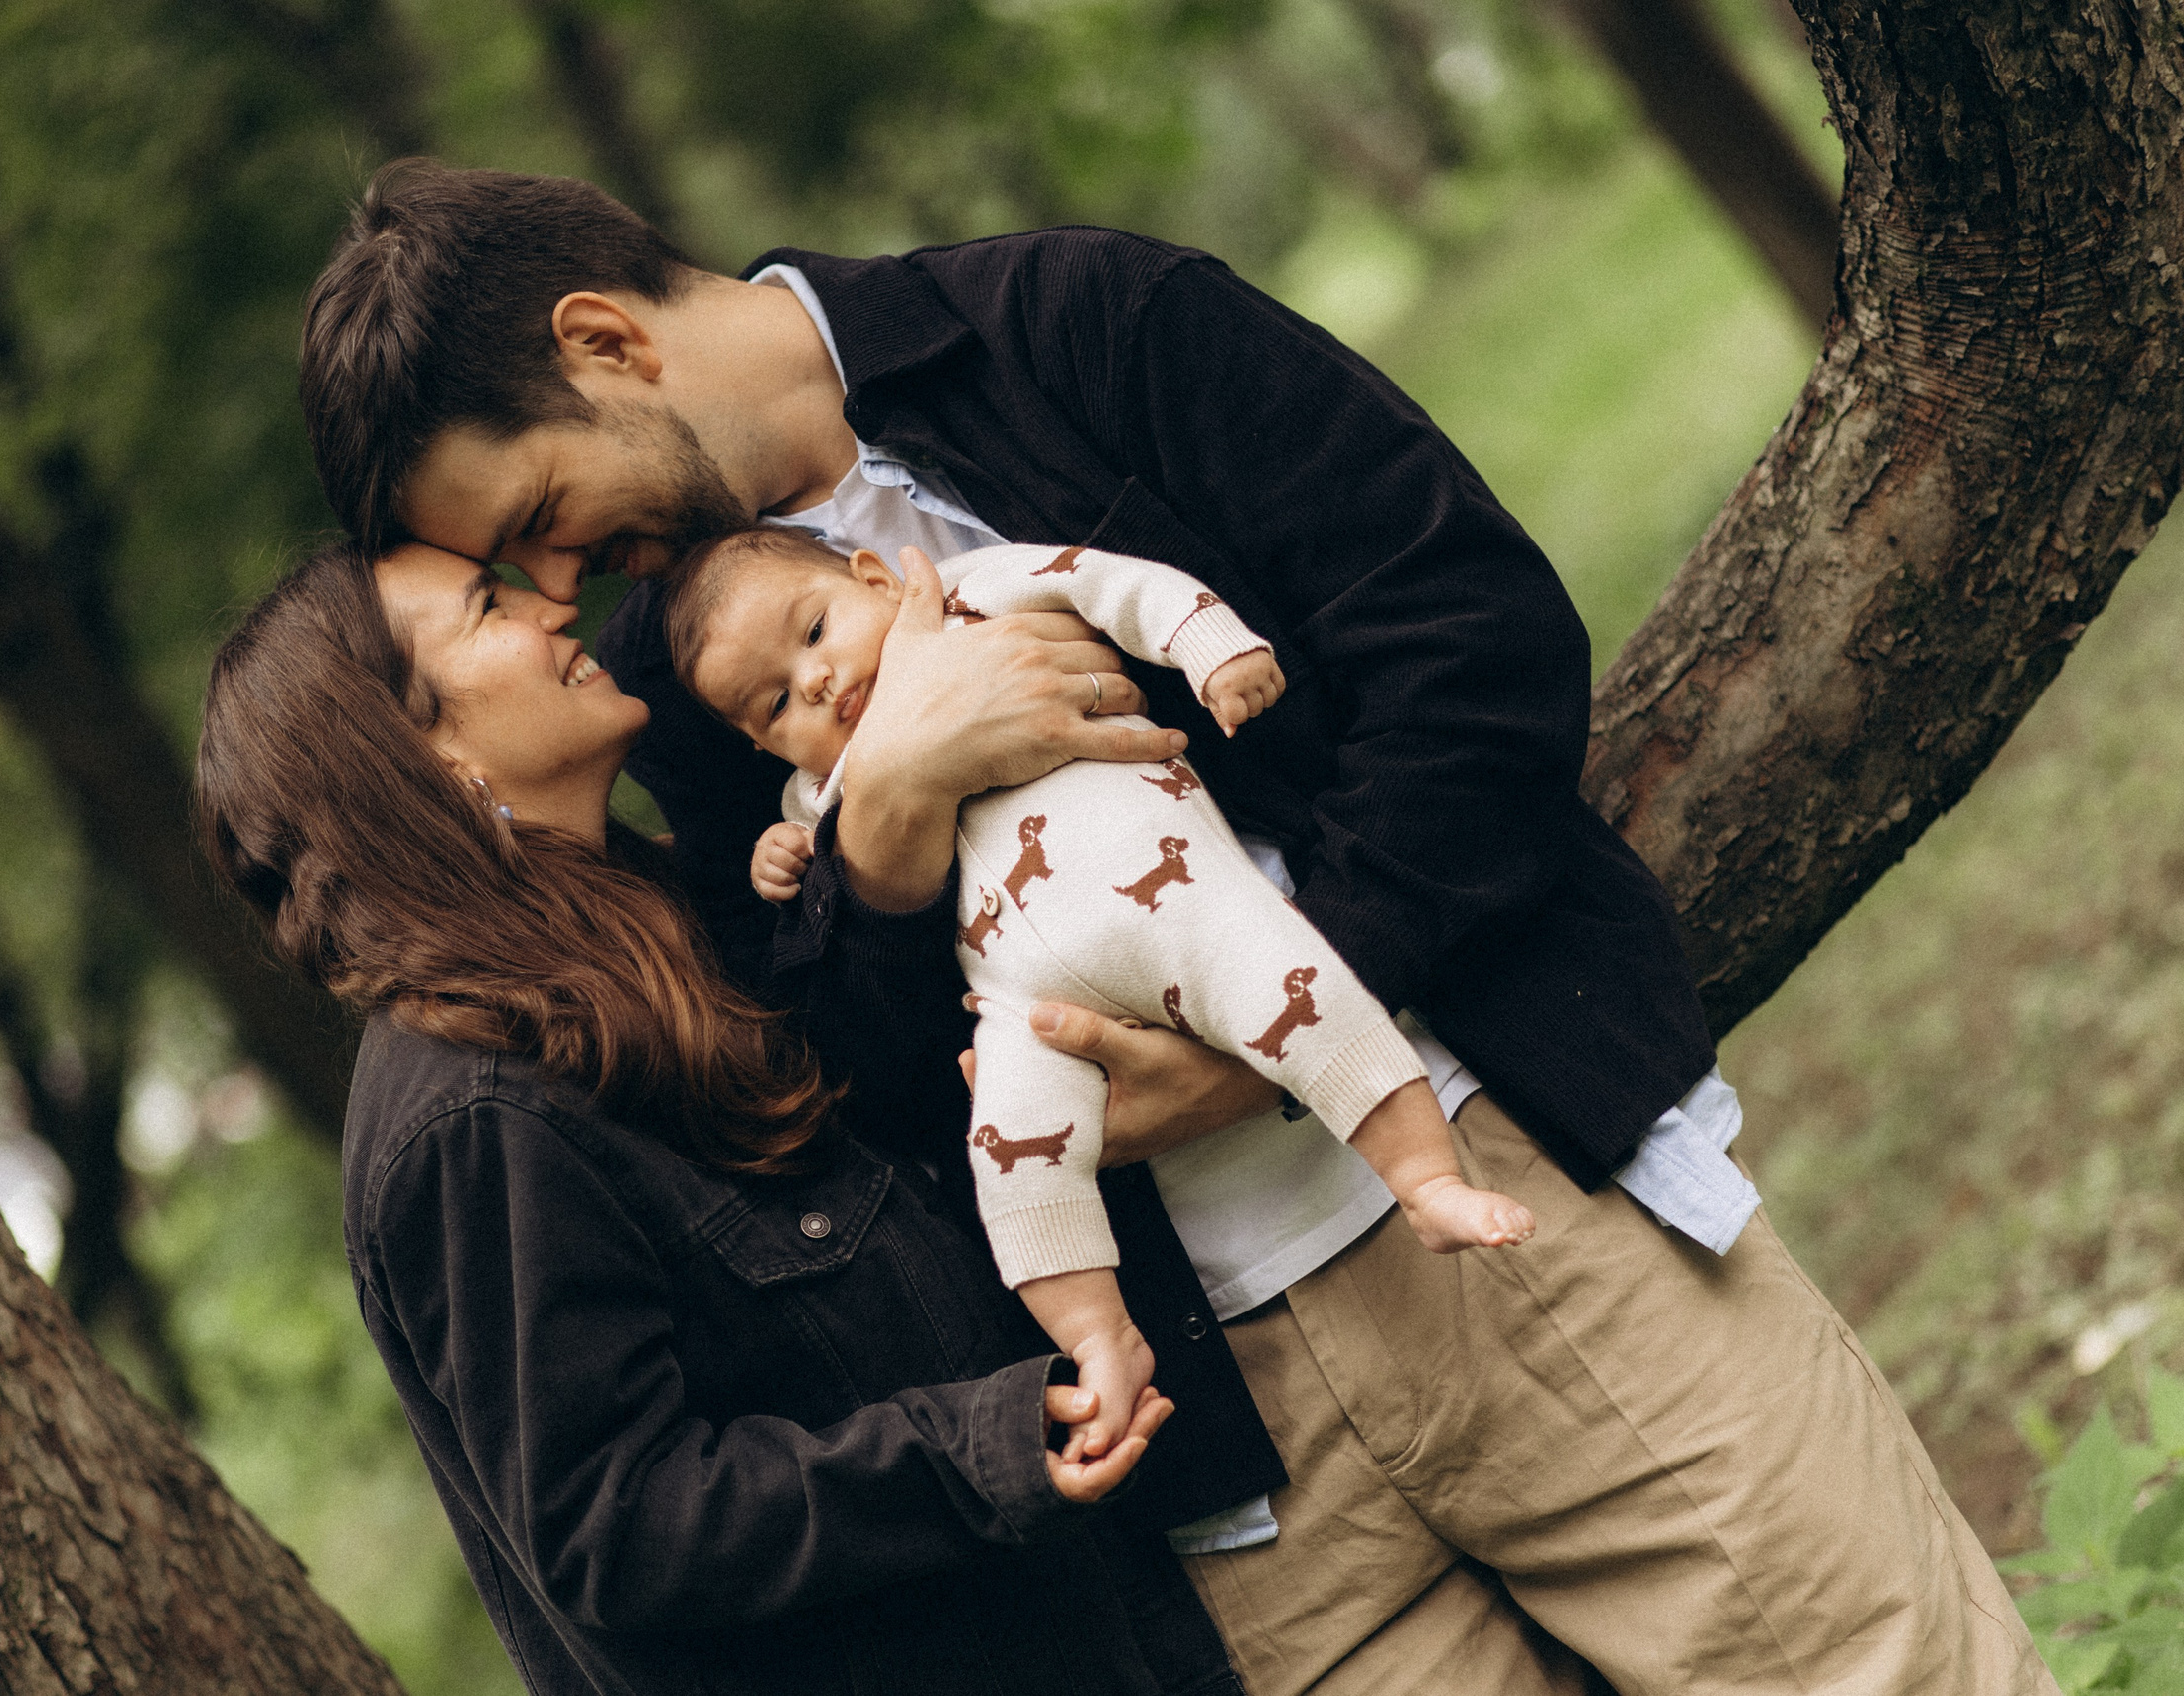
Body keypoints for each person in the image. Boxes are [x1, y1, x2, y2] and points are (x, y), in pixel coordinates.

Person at [295, 163, 2052, 1692]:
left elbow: (1474, 644)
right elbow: (850, 1082)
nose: (573, 580)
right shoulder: (684, 689)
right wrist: (890, 824)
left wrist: (1283, 1021)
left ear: (605, 342)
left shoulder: (1079, 324)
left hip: (1514, 1223)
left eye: (537, 518)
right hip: (1232, 1465)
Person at [193, 538, 1239, 1696]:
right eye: (491, 604)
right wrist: (981, 1447)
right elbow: (617, 1523)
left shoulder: (654, 921)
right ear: (425, 762)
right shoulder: (474, 1117)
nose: (556, 604)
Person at [666, 525, 1535, 1464]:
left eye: (816, 633)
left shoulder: (969, 598)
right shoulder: (823, 785)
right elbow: (822, 863)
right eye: (776, 703)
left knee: (1302, 992)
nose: (820, 683)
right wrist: (784, 850)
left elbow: (1107, 582)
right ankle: (1099, 1337)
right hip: (1021, 1007)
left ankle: (1425, 1179)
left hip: (1175, 909)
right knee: (1011, 1153)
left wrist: (1208, 643)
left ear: (876, 577)